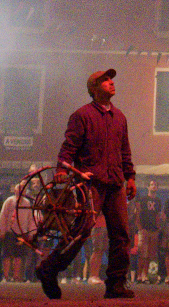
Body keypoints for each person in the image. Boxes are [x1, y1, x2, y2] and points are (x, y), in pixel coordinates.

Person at [35, 68, 138, 300]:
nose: (111, 83)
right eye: (105, 81)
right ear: (94, 88)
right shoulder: (81, 115)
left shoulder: (120, 117)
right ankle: (49, 269)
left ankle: (116, 284)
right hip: (90, 182)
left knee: (121, 234)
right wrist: (62, 169)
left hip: (114, 183)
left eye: (111, 79)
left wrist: (130, 177)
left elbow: (125, 151)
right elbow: (69, 146)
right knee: (80, 231)